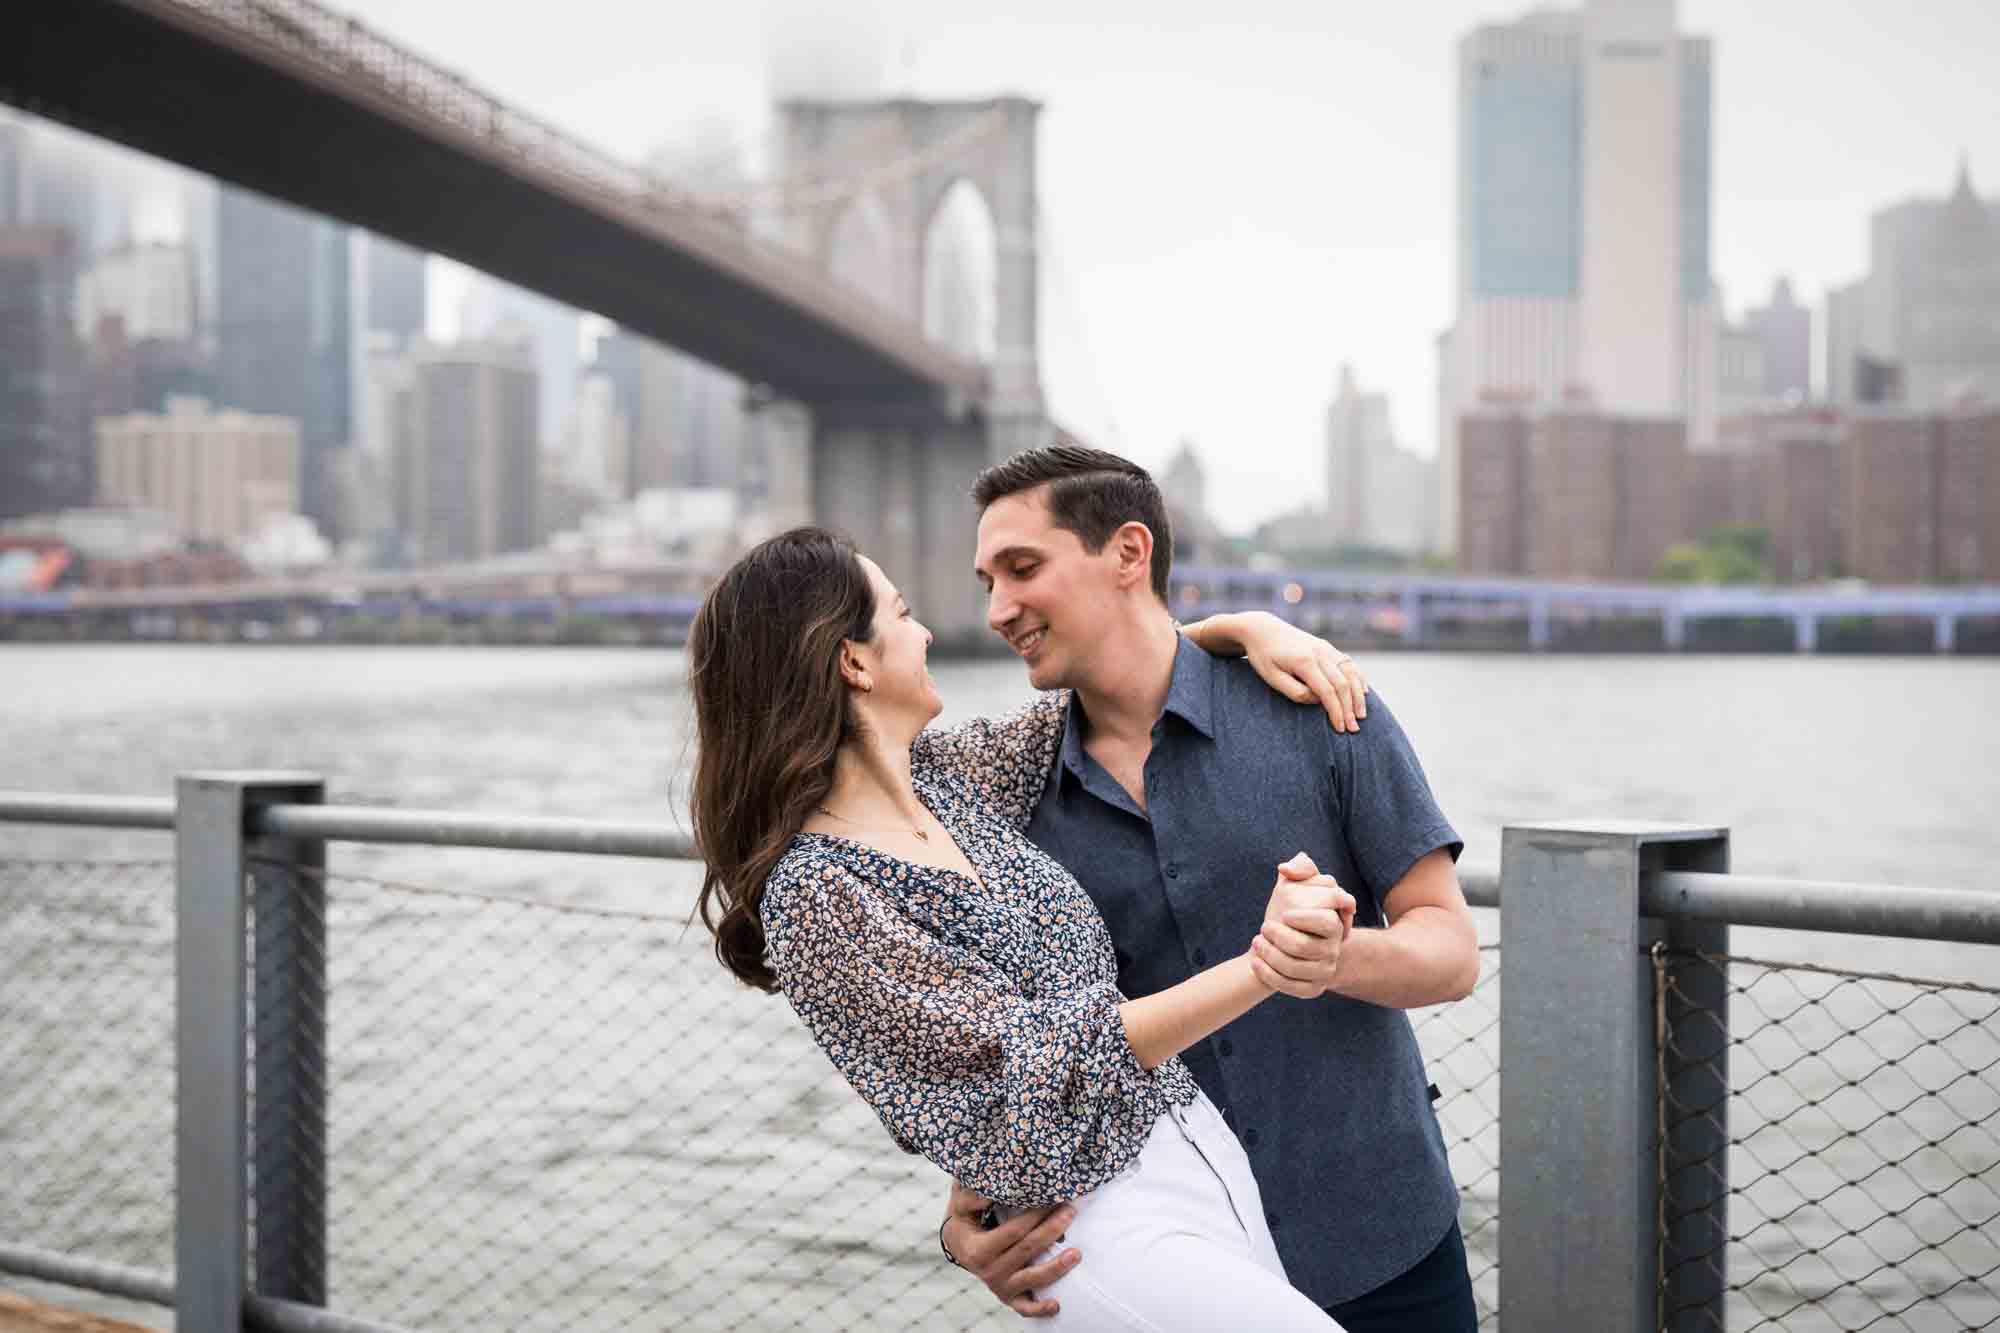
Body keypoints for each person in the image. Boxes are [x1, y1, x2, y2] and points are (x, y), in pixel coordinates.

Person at [689, 526, 1374, 1331]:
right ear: (854, 660)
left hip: (1201, 1157)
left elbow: (1109, 682)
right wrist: (1263, 964)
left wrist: (1246, 628)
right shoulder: (817, 893)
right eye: (902, 614)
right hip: (1091, 1225)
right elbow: (1034, 1060)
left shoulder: (945, 783)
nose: (930, 630)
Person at [943, 445, 1480, 1332]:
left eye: (1022, 568)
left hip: (1382, 1237)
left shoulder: (1321, 705)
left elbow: (1450, 950)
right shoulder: (1006, 798)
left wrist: (1331, 957)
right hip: (1164, 1279)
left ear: (1128, 553)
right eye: (987, 579)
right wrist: (970, 1216)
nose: (998, 608)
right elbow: (1001, 1054)